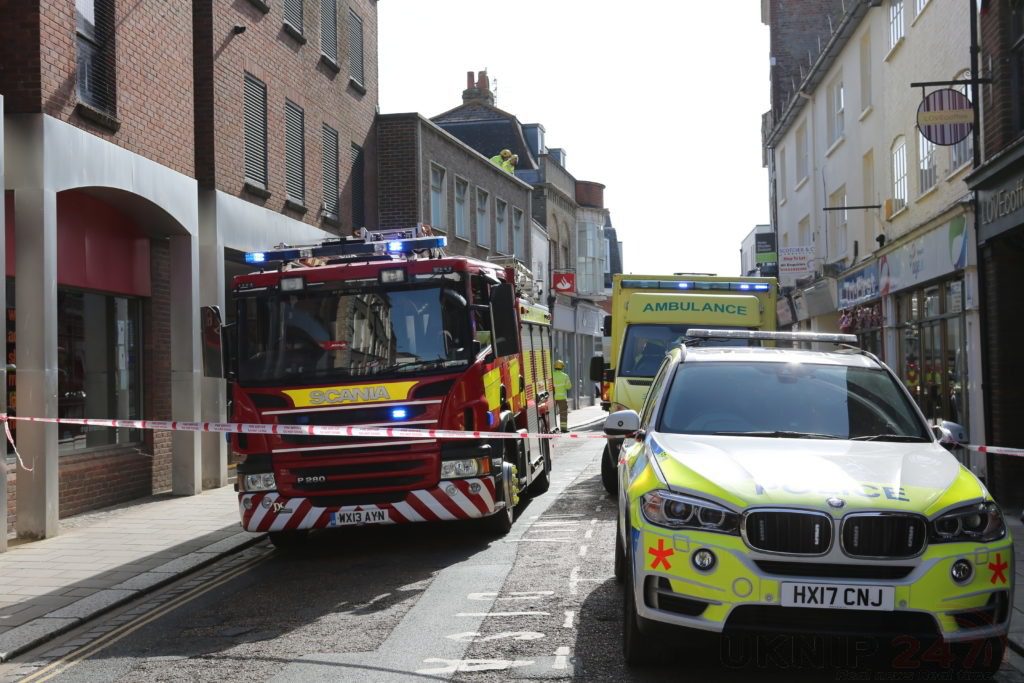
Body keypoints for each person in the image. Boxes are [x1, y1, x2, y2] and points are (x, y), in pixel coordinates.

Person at [553, 359, 572, 433]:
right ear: (562, 367)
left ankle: (552, 428)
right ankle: (563, 429)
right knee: (563, 414)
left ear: (555, 366)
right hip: (562, 398)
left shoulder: (551, 375)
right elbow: (569, 387)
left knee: (552, 414)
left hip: (553, 398)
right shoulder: (565, 376)